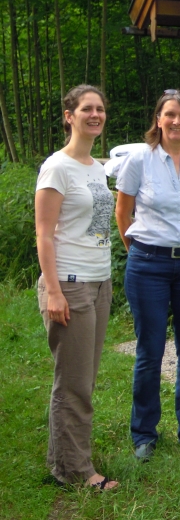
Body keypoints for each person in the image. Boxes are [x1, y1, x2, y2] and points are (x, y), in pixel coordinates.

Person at [115, 89, 180, 460]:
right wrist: (142, 254)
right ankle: (144, 433)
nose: (177, 121)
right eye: (170, 114)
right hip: (148, 265)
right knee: (150, 350)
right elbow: (122, 214)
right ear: (158, 119)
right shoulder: (138, 161)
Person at [35, 85, 117, 490]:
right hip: (70, 284)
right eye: (86, 108)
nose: (95, 114)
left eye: (100, 108)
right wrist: (53, 292)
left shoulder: (95, 166)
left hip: (99, 282)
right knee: (73, 383)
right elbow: (44, 234)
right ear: (69, 115)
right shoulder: (58, 167)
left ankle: (66, 457)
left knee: (81, 379)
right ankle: (76, 471)